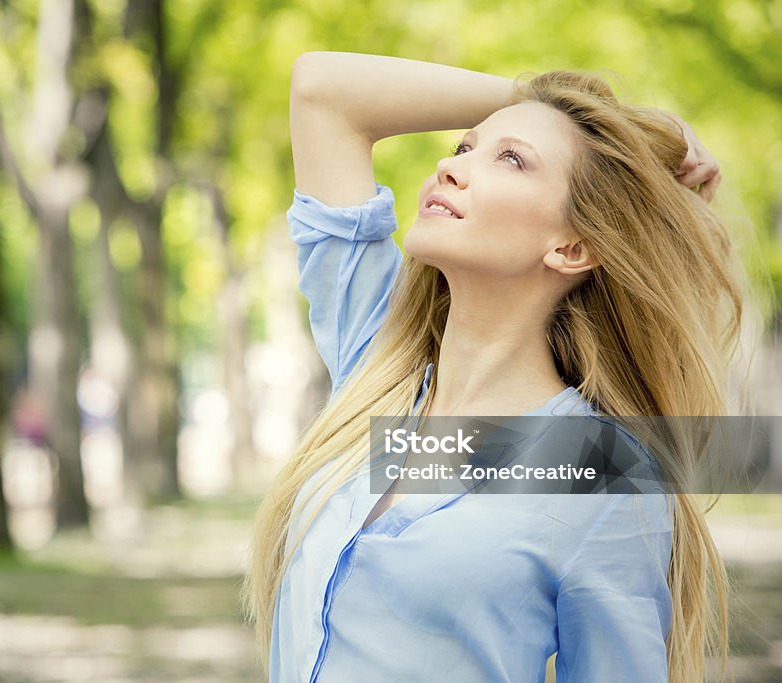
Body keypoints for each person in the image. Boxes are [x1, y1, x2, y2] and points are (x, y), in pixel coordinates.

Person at [243, 52, 750, 683]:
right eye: (464, 145)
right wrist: (543, 102)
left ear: (573, 247)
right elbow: (323, 91)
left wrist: (572, 118)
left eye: (509, 158)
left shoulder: (601, 472)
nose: (449, 166)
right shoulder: (374, 365)